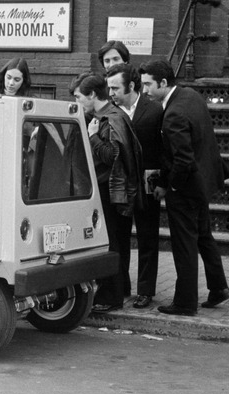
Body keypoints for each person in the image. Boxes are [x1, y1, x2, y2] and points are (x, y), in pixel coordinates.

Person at [139, 59, 229, 316]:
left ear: (163, 83)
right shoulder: (190, 95)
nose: (145, 90)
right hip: (204, 182)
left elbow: (183, 160)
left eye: (148, 85)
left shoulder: (173, 115)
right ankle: (219, 288)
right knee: (203, 236)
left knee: (184, 245)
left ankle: (185, 302)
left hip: (187, 189)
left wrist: (169, 187)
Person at [70, 73, 144, 313]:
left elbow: (112, 156)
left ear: (92, 95)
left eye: (79, 96)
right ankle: (119, 290)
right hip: (114, 190)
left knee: (110, 242)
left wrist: (91, 136)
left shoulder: (109, 119)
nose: (77, 101)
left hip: (109, 190)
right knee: (117, 241)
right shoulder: (110, 116)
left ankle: (111, 296)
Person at [106, 63, 164, 309]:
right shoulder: (109, 111)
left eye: (115, 88)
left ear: (130, 85)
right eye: (108, 88)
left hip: (147, 181)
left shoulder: (154, 109)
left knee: (147, 235)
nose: (111, 93)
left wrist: (162, 181)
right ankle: (122, 286)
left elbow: (163, 147)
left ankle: (145, 290)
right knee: (119, 236)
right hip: (120, 183)